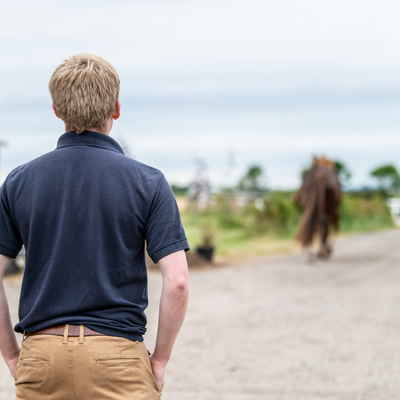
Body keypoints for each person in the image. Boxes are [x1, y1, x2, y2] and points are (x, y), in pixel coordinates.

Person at [0, 53, 189, 400]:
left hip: (42, 357)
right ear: (116, 108)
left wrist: (12, 355)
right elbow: (177, 282)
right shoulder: (148, 182)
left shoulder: (18, 182)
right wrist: (159, 359)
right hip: (117, 359)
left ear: (56, 110)